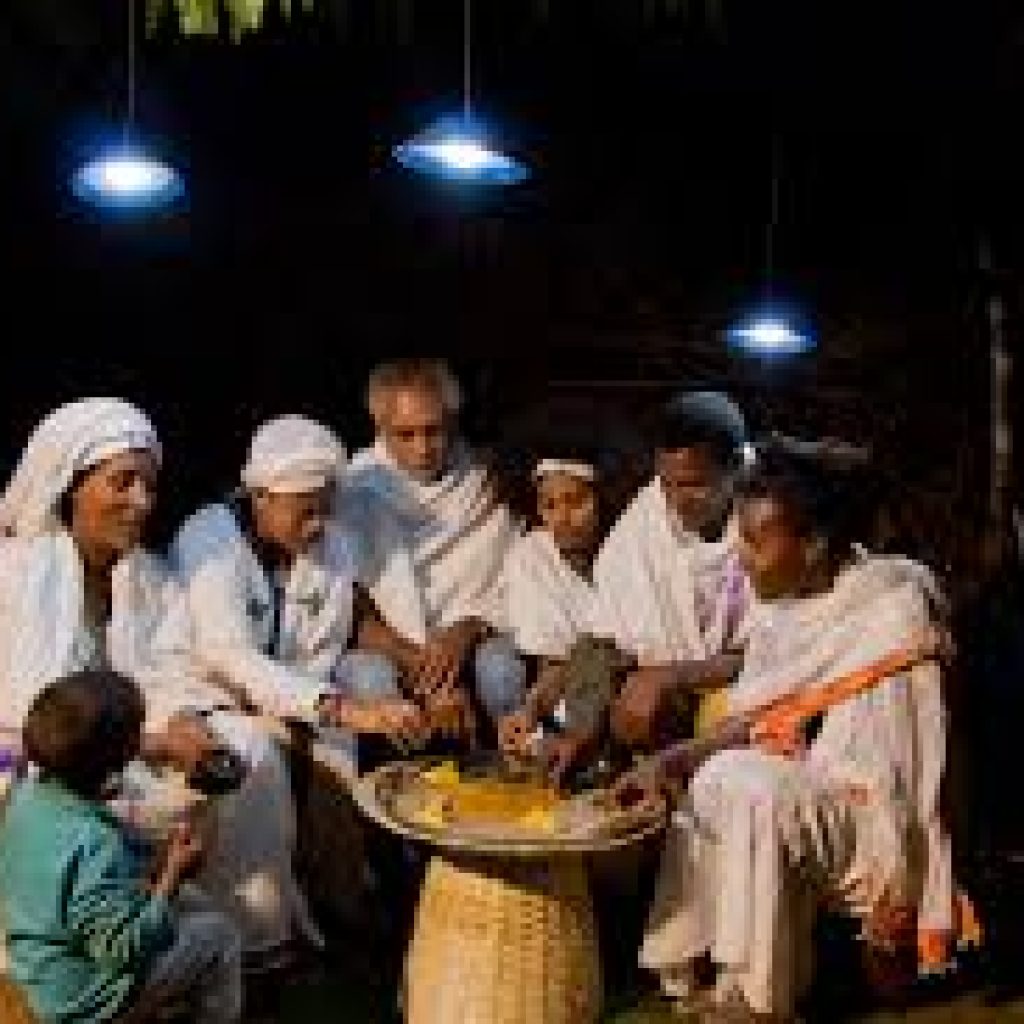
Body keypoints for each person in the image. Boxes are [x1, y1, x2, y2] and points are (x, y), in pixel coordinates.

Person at [619, 436, 956, 1021]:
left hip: (875, 824)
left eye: (755, 541)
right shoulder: (781, 606)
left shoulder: (891, 610)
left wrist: (897, 907)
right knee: (717, 776)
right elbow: (764, 714)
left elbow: (910, 780)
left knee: (754, 789)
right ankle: (694, 965)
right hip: (816, 794)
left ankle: (758, 1000)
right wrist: (675, 760)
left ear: (816, 544)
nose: (742, 557)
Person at [0, 398, 311, 963]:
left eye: (148, 485)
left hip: (124, 753)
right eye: (121, 484)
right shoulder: (13, 575)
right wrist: (147, 742)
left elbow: (173, 673)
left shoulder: (149, 576)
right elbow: (23, 714)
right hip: (31, 762)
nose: (140, 502)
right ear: (72, 486)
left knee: (248, 746)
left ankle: (246, 937)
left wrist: (187, 723)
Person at [0, 670, 242, 1024]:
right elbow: (125, 950)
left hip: (37, 964)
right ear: (118, 758)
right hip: (81, 1000)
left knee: (195, 903)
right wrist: (173, 874)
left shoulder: (26, 795)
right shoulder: (95, 843)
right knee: (220, 935)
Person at [171, 415, 425, 747]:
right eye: (306, 513)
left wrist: (419, 666)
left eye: (326, 509)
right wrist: (335, 707)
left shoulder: (334, 543)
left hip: (309, 699)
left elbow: (337, 632)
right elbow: (229, 655)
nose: (318, 525)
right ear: (260, 496)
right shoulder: (209, 541)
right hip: (219, 705)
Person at [345, 359, 526, 735]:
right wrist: (427, 668)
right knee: (371, 679)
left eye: (434, 431)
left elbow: (513, 583)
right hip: (392, 647)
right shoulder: (354, 492)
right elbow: (348, 610)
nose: (423, 448)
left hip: (474, 637)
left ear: (453, 424)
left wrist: (467, 629)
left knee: (500, 670)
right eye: (405, 435)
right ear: (380, 430)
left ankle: (516, 771)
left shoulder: (486, 484)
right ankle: (388, 787)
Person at [595, 392, 752, 750]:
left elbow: (781, 650)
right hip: (672, 689)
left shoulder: (770, 520)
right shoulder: (640, 527)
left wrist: (670, 675)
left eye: (696, 484)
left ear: (737, 471)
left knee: (730, 712)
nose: (678, 500)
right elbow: (609, 639)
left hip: (754, 685)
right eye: (668, 484)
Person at [496, 455, 607, 762]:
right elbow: (555, 663)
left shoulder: (628, 549)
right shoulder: (530, 556)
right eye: (549, 505)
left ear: (601, 498)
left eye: (575, 502)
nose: (562, 518)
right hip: (574, 693)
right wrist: (529, 712)